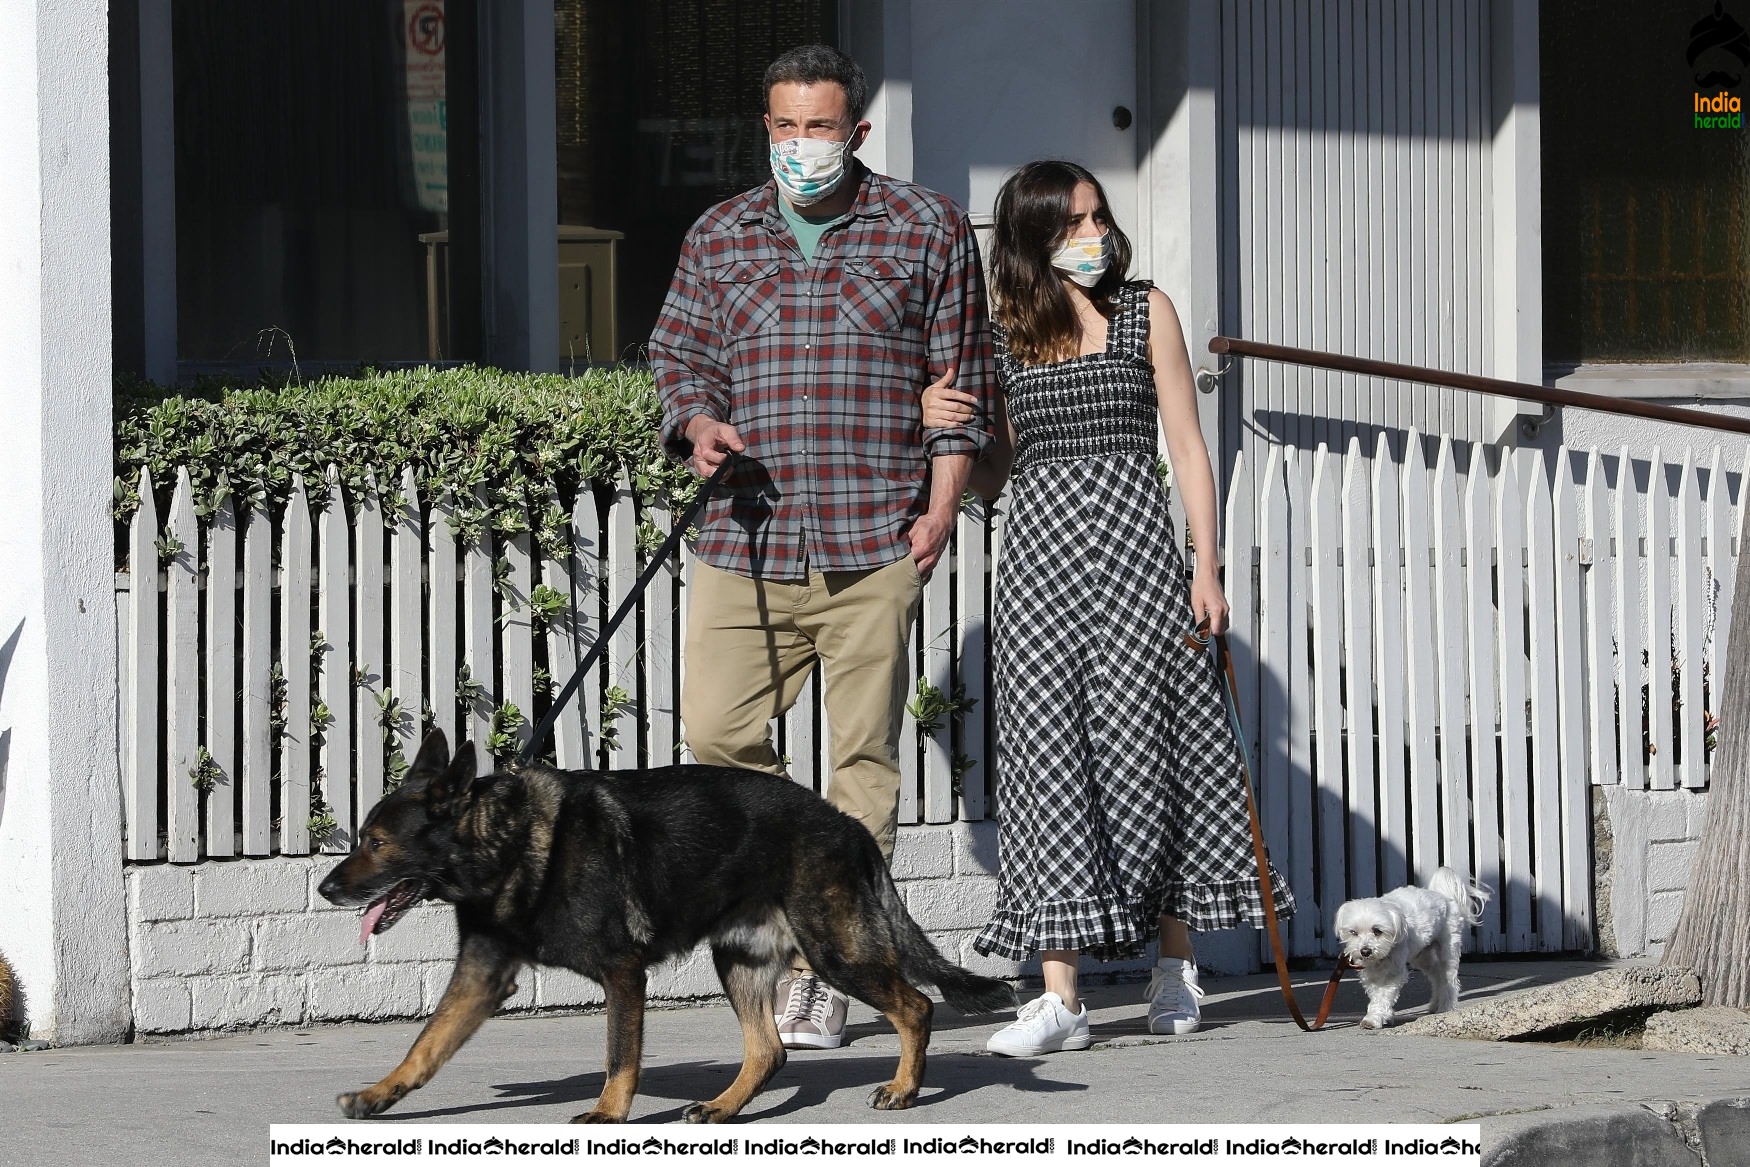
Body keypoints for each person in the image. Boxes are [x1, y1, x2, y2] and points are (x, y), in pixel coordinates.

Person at [649, 44, 995, 1052]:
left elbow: (958, 377)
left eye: (822, 128)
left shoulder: (924, 227)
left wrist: (938, 509)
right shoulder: (720, 234)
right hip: (741, 538)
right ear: (767, 129)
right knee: (717, 740)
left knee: (863, 767)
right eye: (787, 128)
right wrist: (696, 425)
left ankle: (825, 970)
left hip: (872, 533)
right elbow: (679, 355)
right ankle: (780, 902)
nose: (804, 146)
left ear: (857, 133)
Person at [922, 159, 1295, 1055]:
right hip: (1041, 564)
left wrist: (1206, 569)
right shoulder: (1003, 331)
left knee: (1153, 747)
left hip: (1135, 553)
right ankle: (1061, 997)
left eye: (1097, 218)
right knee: (1048, 762)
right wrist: (943, 422)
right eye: (1070, 226)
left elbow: (1189, 449)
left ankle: (1176, 965)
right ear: (1029, 243)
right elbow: (994, 472)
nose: (1093, 237)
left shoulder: (1146, 309)